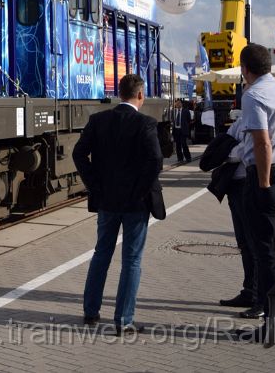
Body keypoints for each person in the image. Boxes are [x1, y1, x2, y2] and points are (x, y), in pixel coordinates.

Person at [73, 73, 163, 334]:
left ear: (118, 94)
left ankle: (91, 312)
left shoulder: (98, 120)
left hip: (106, 200)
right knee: (132, 260)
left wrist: (94, 184)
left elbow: (79, 153)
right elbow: (155, 160)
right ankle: (123, 320)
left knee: (101, 253)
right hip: (136, 203)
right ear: (140, 95)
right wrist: (140, 189)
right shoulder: (146, 123)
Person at [237, 43, 275, 328]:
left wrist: (262, 185)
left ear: (245, 68)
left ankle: (274, 320)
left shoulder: (253, 95)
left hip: (266, 175)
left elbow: (262, 143)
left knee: (264, 249)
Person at [219, 116, 258, 310]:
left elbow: (244, 151)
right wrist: (231, 149)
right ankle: (249, 290)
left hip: (249, 182)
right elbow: (224, 147)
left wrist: (232, 149)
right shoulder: (241, 120)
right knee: (243, 242)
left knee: (254, 242)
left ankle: (258, 294)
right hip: (234, 185)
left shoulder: (259, 119)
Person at [173, 98, 192, 163]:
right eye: (176, 103)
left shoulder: (186, 111)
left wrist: (185, 127)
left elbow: (189, 120)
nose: (177, 104)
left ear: (181, 104)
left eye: (179, 103)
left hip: (183, 130)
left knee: (184, 144)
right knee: (177, 145)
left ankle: (188, 157)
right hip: (176, 130)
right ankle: (180, 159)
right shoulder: (174, 111)